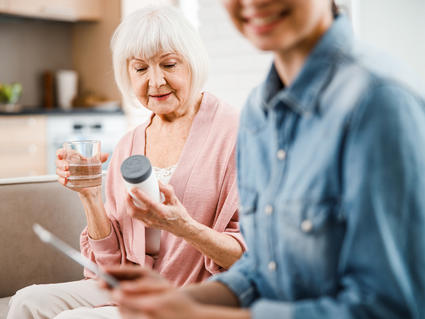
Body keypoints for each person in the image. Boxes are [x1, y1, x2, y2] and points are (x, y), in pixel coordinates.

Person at [100, 0, 425, 318]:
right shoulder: (258, 112)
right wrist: (172, 302)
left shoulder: (379, 103)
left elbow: (391, 306)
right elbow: (262, 270)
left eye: (168, 64)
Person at [7, 5, 245, 319]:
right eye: (141, 69)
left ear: (193, 63)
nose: (156, 81)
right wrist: (91, 194)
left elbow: (250, 258)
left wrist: (184, 227)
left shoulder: (236, 135)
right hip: (132, 289)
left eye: (168, 64)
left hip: (194, 296)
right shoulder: (129, 144)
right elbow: (110, 266)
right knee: (28, 301)